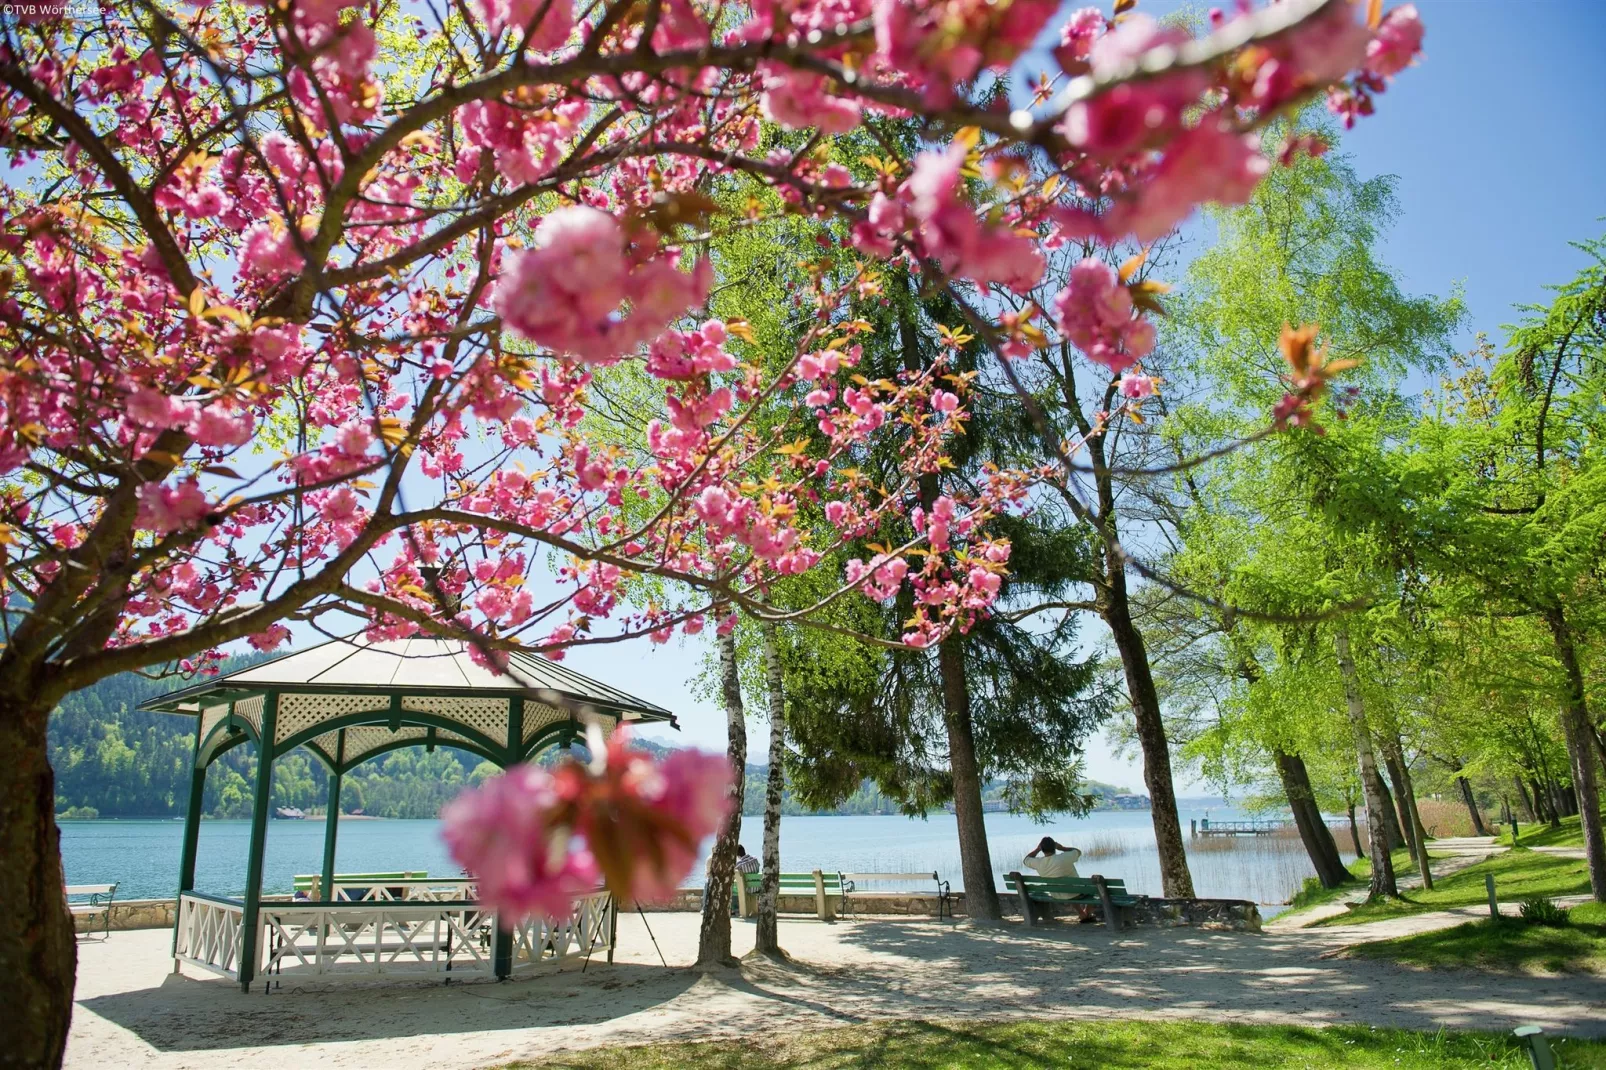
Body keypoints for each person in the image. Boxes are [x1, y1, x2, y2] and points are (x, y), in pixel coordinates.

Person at [731, 845, 760, 916]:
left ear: (737, 855)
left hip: (748, 889)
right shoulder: (755, 859)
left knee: (731, 888)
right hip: (757, 887)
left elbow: (733, 877)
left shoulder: (739, 864)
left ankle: (733, 909)